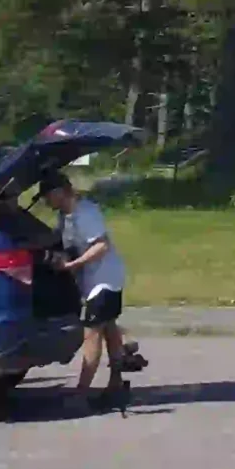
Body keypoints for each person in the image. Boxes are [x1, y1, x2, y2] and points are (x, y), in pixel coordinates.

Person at [35, 168, 143, 408]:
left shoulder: (86, 213)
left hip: (104, 281)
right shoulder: (66, 215)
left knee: (92, 335)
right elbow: (64, 241)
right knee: (109, 329)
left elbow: (101, 246)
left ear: (60, 192)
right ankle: (116, 383)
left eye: (47, 196)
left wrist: (73, 265)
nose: (45, 201)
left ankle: (81, 394)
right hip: (93, 281)